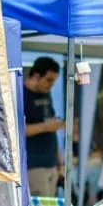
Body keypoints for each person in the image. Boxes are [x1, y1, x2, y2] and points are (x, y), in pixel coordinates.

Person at [23, 57, 63, 197]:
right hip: (33, 165)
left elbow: (52, 130)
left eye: (54, 81)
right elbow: (18, 130)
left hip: (51, 163)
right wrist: (46, 127)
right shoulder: (21, 95)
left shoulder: (46, 94)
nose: (51, 85)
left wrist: (60, 162)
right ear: (35, 75)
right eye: (48, 80)